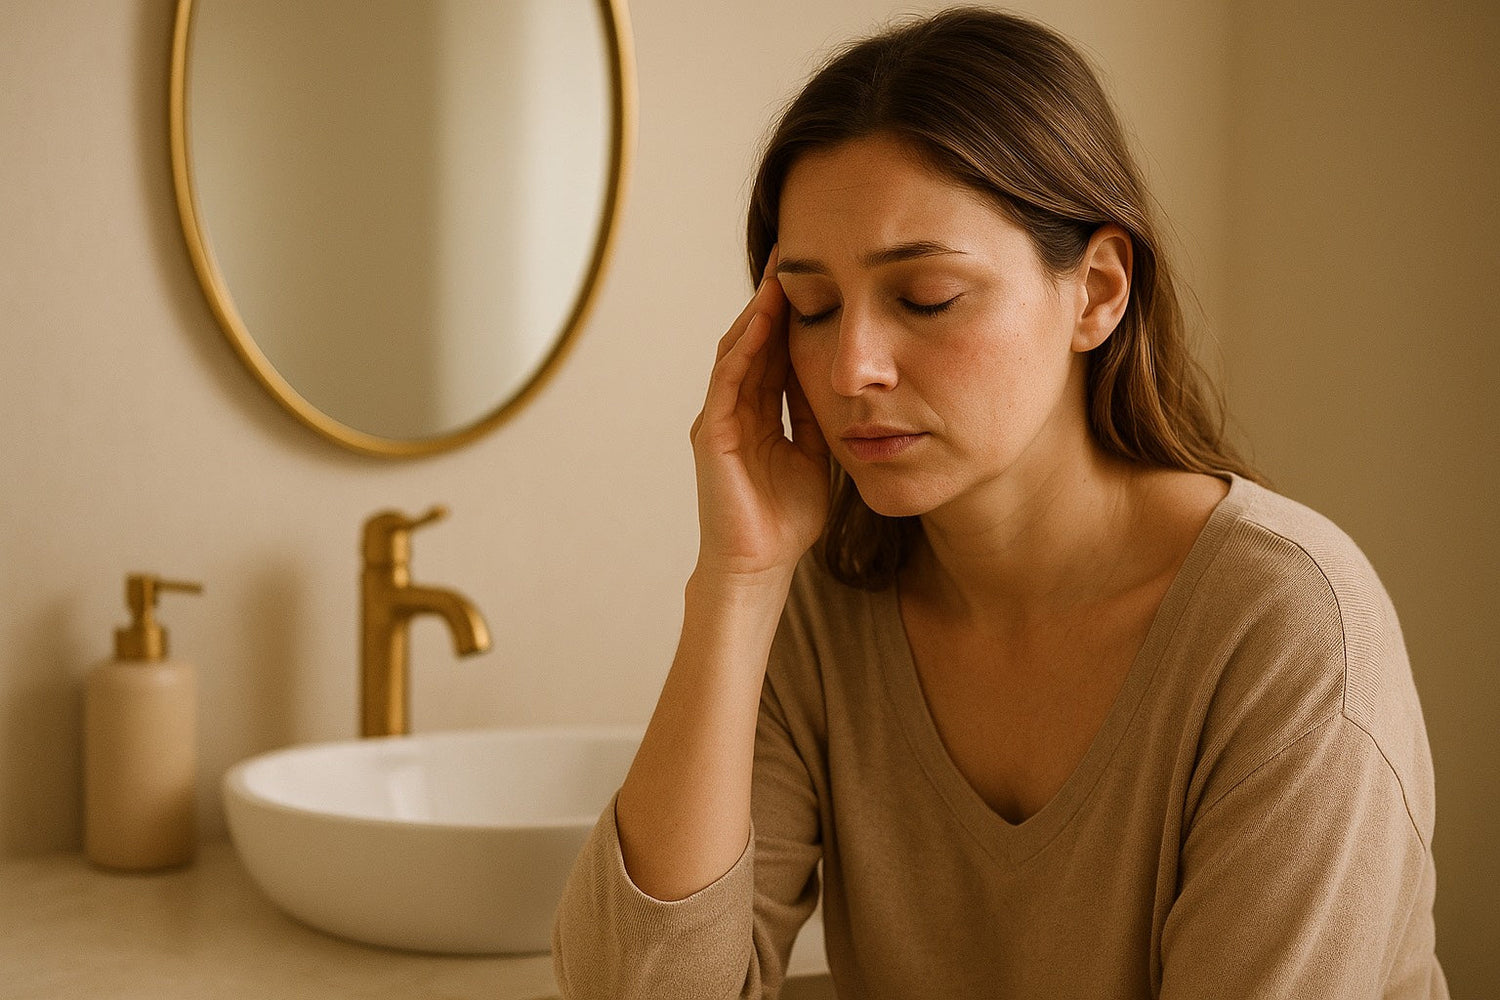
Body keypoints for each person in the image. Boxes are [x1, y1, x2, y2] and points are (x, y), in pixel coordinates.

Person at [553, 7, 1447, 998]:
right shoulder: (825, 612)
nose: (851, 368)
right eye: (813, 308)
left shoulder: (1287, 627)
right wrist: (737, 582)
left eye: (927, 296)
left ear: (1096, 292)